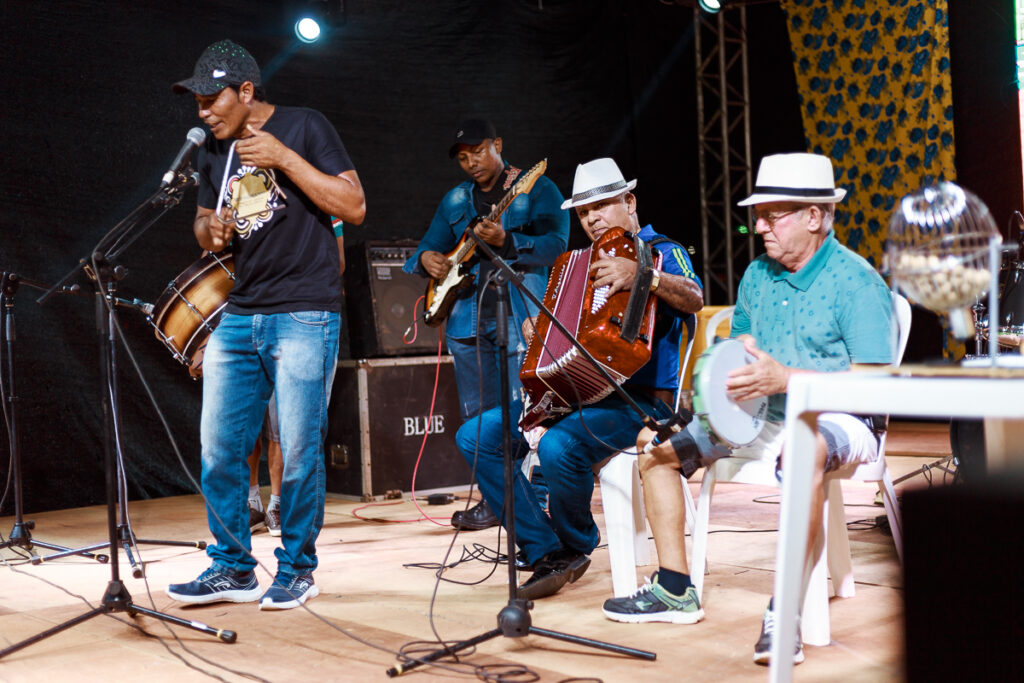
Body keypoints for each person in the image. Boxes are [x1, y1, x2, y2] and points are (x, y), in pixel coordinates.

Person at [601, 152, 894, 666]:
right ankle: (674, 589)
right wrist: (716, 394)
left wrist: (788, 378)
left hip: (843, 418)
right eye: (757, 215)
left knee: (804, 448)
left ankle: (786, 611)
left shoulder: (857, 282)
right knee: (654, 451)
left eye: (771, 215)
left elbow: (875, 385)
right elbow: (738, 353)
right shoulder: (758, 275)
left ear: (814, 217)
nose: (758, 226)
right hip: (763, 413)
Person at [165, 39, 365, 610]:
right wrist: (215, 231)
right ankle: (232, 567)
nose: (202, 113)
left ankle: (297, 567)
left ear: (246, 92)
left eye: (212, 100)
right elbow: (203, 225)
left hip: (304, 308)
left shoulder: (304, 127)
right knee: (220, 448)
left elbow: (353, 206)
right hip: (241, 310)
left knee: (299, 447)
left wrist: (283, 159)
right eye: (197, 101)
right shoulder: (213, 151)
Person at [455, 158, 703, 600]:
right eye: (584, 212)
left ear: (629, 202)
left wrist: (643, 274)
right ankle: (545, 548)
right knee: (476, 437)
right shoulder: (577, 264)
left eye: (603, 206)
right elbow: (567, 335)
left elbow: (695, 297)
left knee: (558, 445)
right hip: (575, 398)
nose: (592, 219)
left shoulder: (658, 249)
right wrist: (541, 337)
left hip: (641, 404)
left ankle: (574, 544)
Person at [404, 119, 568, 531]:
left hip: (519, 311)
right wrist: (426, 259)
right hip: (465, 319)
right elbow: (428, 245)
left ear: (497, 144)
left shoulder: (536, 187)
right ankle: (495, 501)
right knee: (478, 416)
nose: (471, 162)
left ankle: (536, 499)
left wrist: (508, 242)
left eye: (478, 152)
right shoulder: (456, 199)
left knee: (528, 409)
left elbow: (557, 246)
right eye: (462, 157)